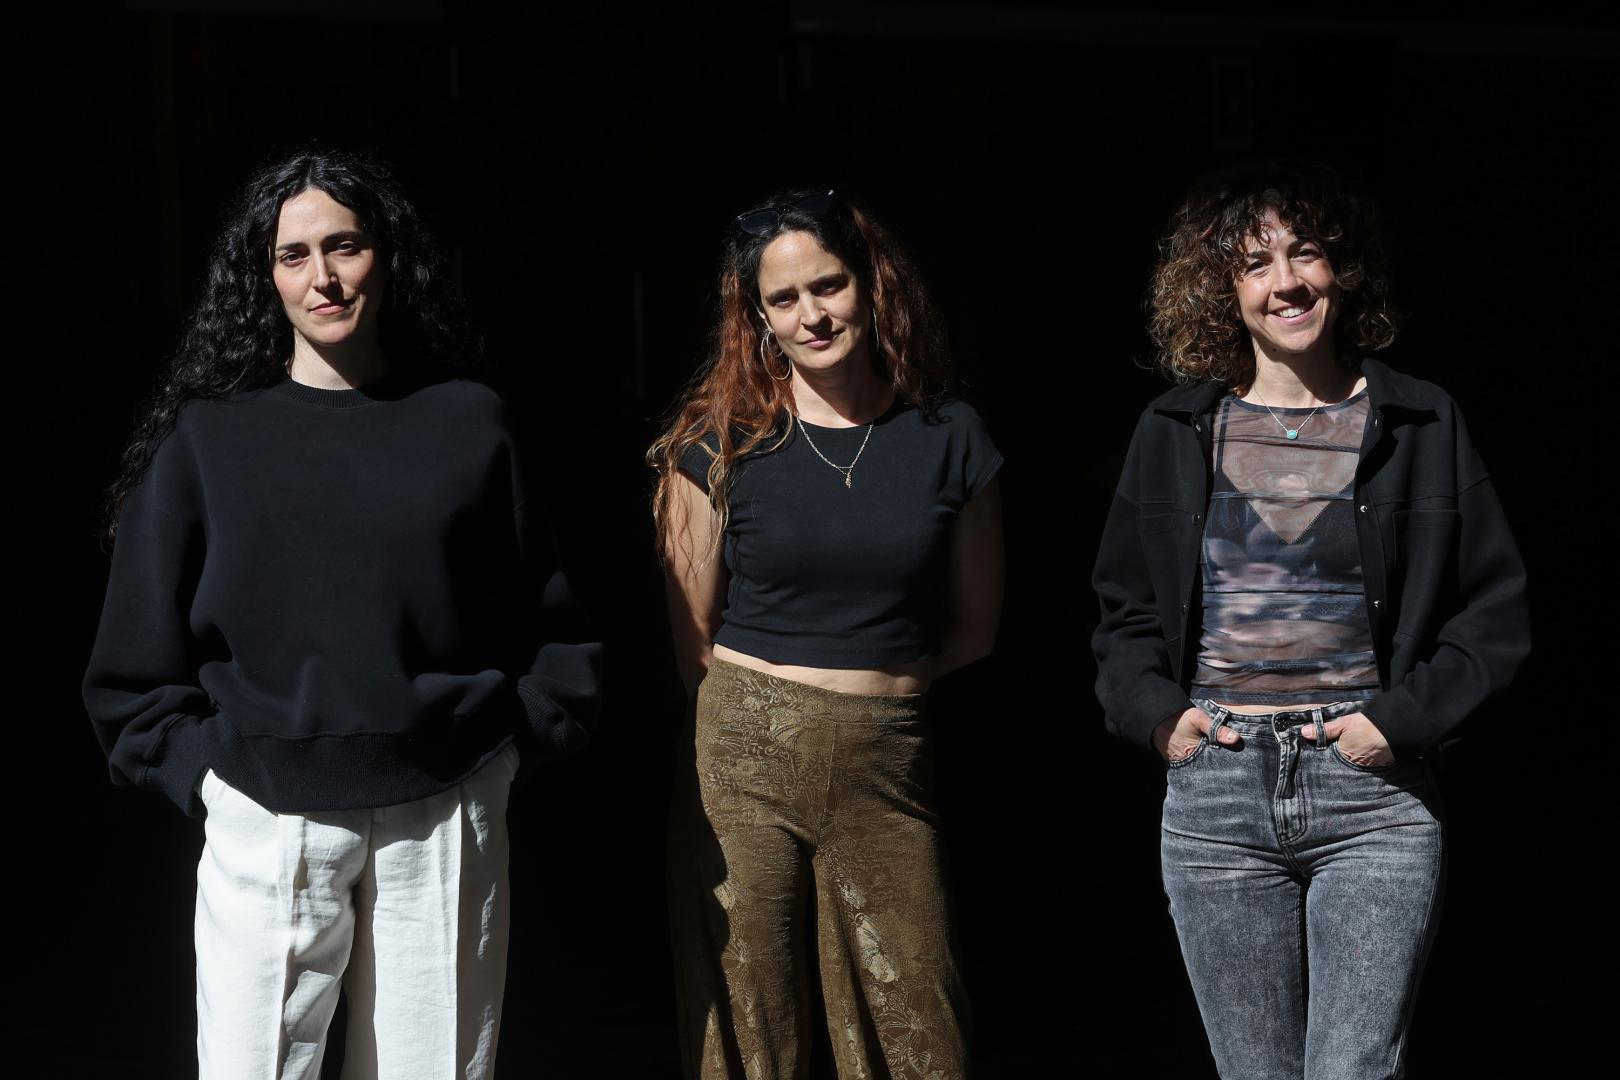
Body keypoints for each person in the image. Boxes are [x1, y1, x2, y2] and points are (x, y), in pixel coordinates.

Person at [83, 149, 599, 1080]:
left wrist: (510, 749)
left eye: (345, 246)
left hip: (443, 806)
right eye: (293, 255)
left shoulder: (466, 422)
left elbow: (548, 617)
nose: (322, 276)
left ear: (386, 258)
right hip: (267, 814)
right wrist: (211, 780)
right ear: (265, 277)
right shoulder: (208, 438)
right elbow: (131, 662)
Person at [1091, 162, 1529, 1079]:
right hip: (1217, 794)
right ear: (1225, 292)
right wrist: (1162, 721)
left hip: (1370, 795)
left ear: (1345, 271)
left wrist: (1394, 724)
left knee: (1353, 1070)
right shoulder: (1175, 430)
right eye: (1255, 264)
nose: (1285, 281)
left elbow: (1493, 615)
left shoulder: (1419, 421)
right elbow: (1123, 613)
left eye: (1307, 254)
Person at [649, 189, 1003, 1078]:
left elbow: (976, 626)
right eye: (784, 299)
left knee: (919, 1021)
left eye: (828, 286)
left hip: (886, 754)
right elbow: (691, 636)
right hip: (743, 752)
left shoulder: (948, 436)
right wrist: (764, 714)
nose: (811, 313)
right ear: (760, 318)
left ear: (869, 284)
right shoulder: (720, 441)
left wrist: (877, 690)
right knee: (746, 1015)